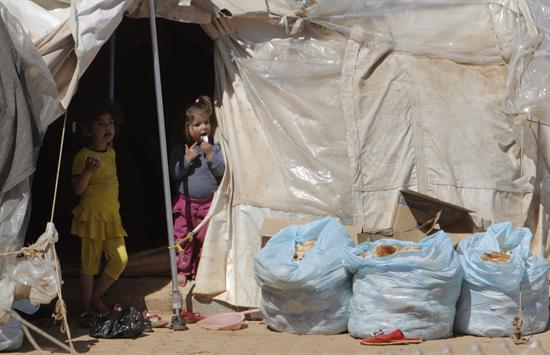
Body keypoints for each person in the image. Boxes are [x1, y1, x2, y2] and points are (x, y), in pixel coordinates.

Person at [71, 104, 128, 327]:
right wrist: (87, 170)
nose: (107, 127)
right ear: (88, 130)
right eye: (100, 123)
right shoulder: (83, 156)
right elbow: (78, 189)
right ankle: (86, 310)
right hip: (92, 218)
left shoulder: (111, 152)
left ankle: (96, 296)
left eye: (110, 123)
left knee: (120, 259)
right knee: (89, 265)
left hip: (112, 217)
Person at [169, 96, 225, 287]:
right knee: (183, 237)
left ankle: (201, 269)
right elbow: (175, 173)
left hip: (208, 205)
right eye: (197, 124)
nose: (203, 128)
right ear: (187, 128)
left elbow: (221, 172)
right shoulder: (180, 149)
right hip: (185, 203)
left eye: (206, 122)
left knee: (204, 238)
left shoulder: (215, 149)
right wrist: (187, 159)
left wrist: (210, 155)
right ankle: (182, 270)